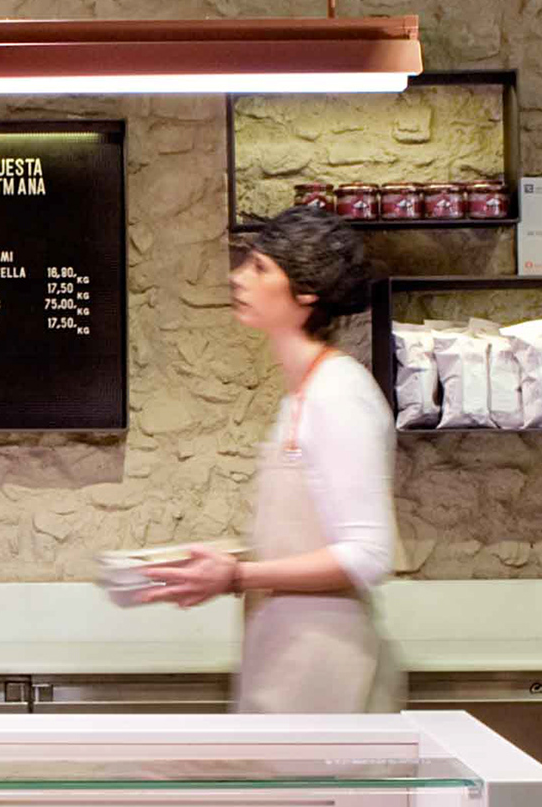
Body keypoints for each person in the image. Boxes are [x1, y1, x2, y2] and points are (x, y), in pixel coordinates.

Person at [142, 206, 402, 712]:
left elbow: (368, 554)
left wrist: (238, 576)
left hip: (328, 671)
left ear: (306, 293)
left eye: (260, 268)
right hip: (289, 659)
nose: (239, 277)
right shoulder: (303, 393)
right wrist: (225, 564)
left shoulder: (339, 393)